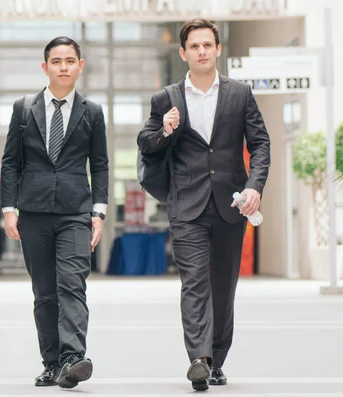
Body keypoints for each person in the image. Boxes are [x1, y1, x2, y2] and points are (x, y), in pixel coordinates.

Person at [138, 18, 270, 391]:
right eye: (193, 46)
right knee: (194, 283)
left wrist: (255, 185)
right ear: (183, 53)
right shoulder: (167, 98)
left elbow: (260, 143)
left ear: (217, 49)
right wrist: (164, 129)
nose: (201, 52)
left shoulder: (239, 93)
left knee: (222, 287)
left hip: (231, 204)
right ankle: (199, 359)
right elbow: (145, 142)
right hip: (187, 205)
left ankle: (217, 358)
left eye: (207, 45)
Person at [0, 36, 109, 389]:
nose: (64, 66)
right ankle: (52, 363)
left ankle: (73, 357)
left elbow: (101, 165)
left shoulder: (91, 112)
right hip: (33, 212)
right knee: (45, 292)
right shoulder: (23, 107)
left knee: (73, 285)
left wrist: (99, 211)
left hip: (76, 212)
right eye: (57, 61)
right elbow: (11, 162)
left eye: (70, 60)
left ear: (81, 65)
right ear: (45, 67)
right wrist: (9, 208)